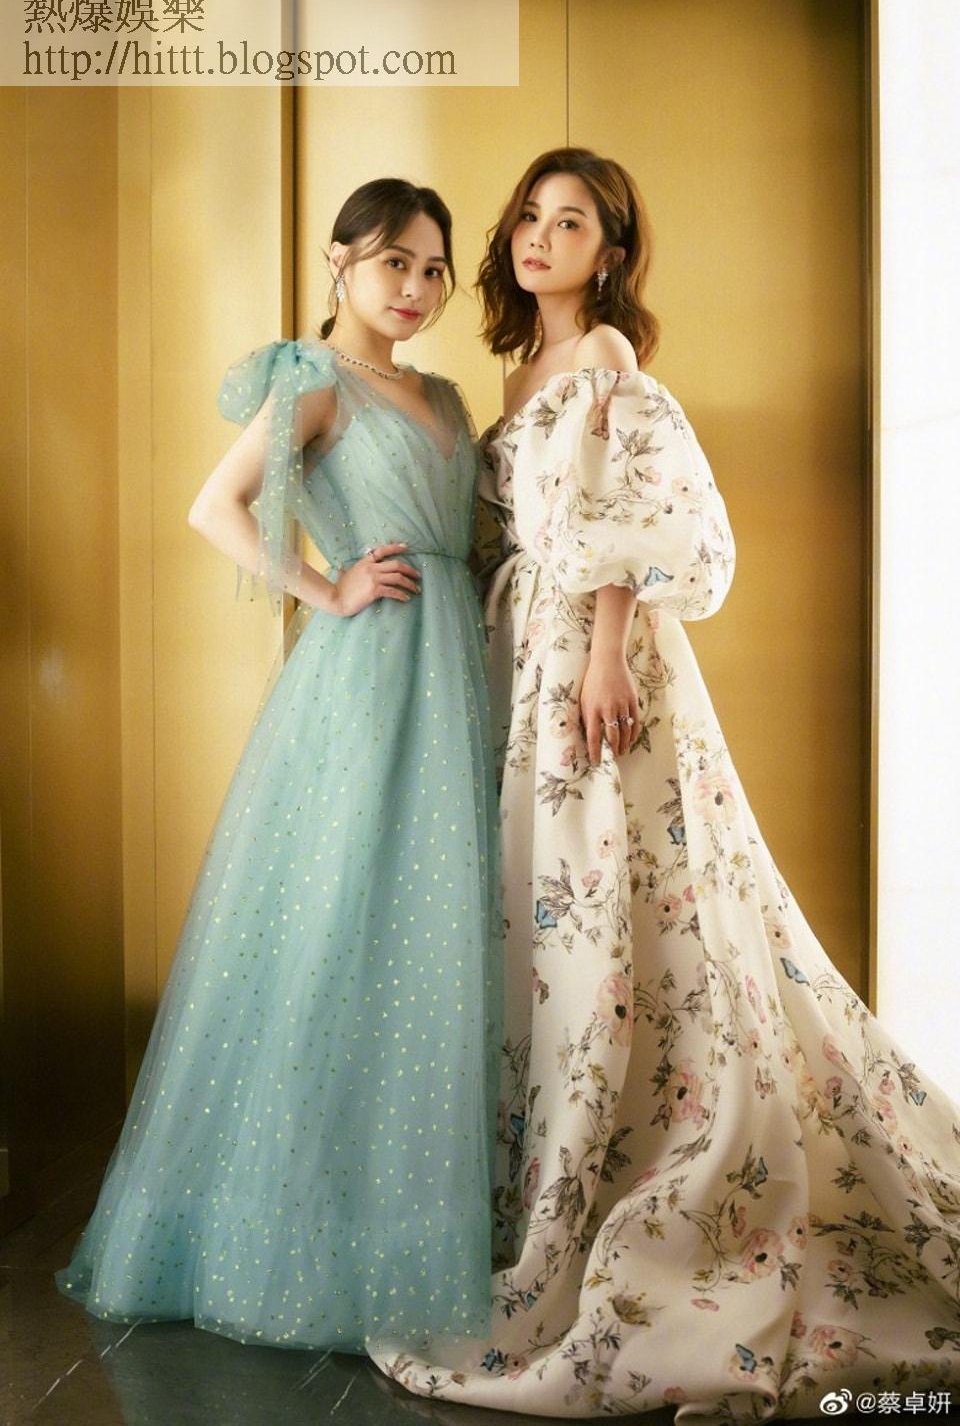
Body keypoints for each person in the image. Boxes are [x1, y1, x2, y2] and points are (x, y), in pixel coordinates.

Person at [374, 148, 960, 1419]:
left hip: (593, 663)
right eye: (529, 217)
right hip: (520, 659)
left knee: (613, 897)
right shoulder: (520, 374)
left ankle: (654, 1164)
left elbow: (643, 517)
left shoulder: (603, 360)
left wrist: (602, 654)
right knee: (548, 914)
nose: (540, 237)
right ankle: (552, 1160)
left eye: (571, 222)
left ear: (612, 252)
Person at [56, 178, 502, 1354]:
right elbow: (216, 506)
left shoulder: (445, 394)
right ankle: (286, 1233)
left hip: (454, 667)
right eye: (393, 262)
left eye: (433, 270)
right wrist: (325, 586)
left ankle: (405, 1224)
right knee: (339, 917)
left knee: (427, 927)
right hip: (370, 672)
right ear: (339, 260)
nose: (415, 288)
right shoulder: (314, 381)